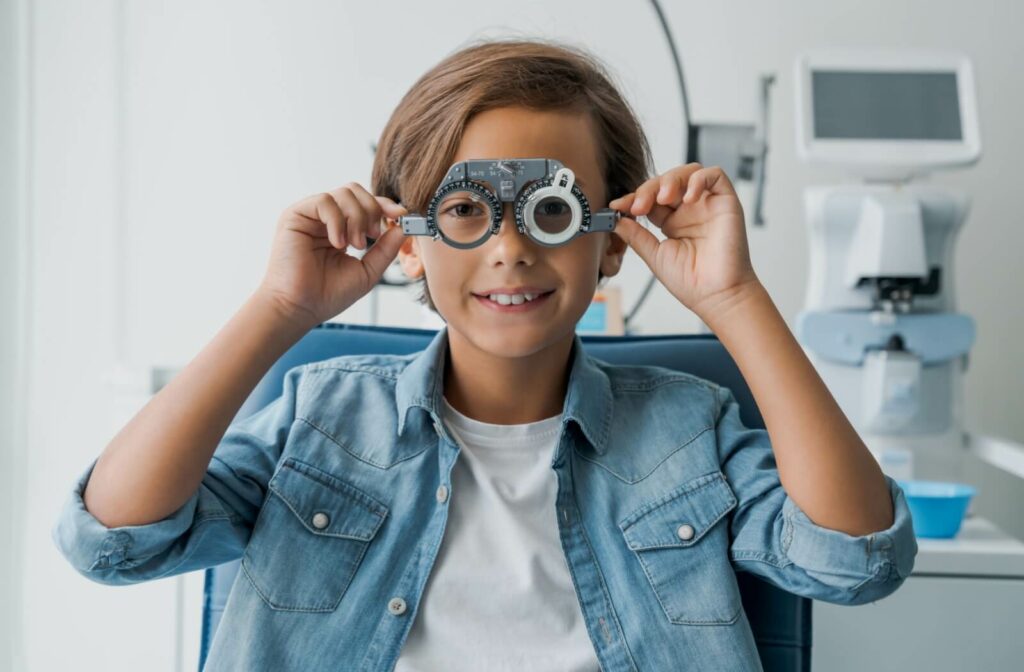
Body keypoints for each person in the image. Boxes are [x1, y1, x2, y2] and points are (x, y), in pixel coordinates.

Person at [52, 38, 917, 671]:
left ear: (610, 241)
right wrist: (281, 309)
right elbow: (110, 540)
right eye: (466, 211)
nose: (509, 249)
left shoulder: (690, 428)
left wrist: (734, 299)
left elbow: (856, 561)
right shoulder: (320, 418)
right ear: (411, 241)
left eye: (549, 208)